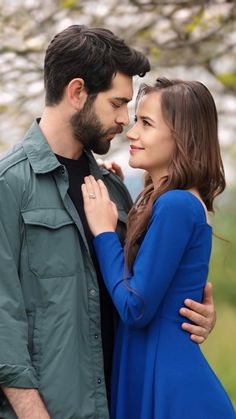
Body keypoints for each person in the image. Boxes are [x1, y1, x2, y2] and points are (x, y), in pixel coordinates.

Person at [0, 24, 215, 419]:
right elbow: (2, 319)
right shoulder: (8, 185)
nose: (124, 121)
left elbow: (136, 291)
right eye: (117, 104)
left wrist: (192, 314)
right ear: (78, 92)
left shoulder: (115, 190)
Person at [82, 78, 236, 418]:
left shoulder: (177, 205)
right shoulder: (165, 203)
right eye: (136, 121)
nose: (132, 133)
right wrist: (118, 193)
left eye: (146, 123)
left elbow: (135, 306)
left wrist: (104, 232)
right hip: (154, 372)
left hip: (170, 388)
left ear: (182, 136)